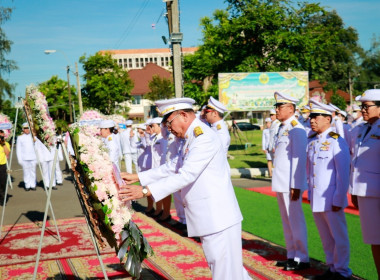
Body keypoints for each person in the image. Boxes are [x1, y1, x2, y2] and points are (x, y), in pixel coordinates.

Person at [119, 97, 251, 280]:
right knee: (232, 271)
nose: (168, 128)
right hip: (211, 216)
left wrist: (144, 191)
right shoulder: (192, 137)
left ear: (183, 116)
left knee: (225, 272)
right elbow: (173, 166)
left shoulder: (203, 137)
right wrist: (137, 177)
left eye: (169, 122)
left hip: (218, 217)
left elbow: (186, 174)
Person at [307, 99, 352, 280]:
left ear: (328, 119)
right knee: (326, 237)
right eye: (310, 117)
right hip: (317, 197)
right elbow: (310, 172)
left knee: (339, 237)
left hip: (331, 197)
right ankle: (332, 268)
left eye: (315, 116)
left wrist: (339, 198)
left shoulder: (336, 141)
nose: (312, 120)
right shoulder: (312, 142)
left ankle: (342, 271)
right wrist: (310, 194)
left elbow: (343, 174)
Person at [271, 91, 310, 271]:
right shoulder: (282, 126)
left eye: (279, 107)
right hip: (281, 181)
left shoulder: (297, 128)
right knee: (287, 221)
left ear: (290, 108)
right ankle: (291, 255)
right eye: (277, 106)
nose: (276, 110)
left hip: (290, 183)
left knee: (295, 220)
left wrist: (296, 185)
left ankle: (302, 258)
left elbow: (298, 159)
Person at [349, 89, 380, 279]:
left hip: (377, 192)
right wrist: (353, 190)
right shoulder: (362, 128)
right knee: (374, 240)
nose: (363, 110)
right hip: (366, 193)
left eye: (367, 106)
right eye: (362, 106)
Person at [149, 117, 169, 221]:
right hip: (155, 168)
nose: (151, 128)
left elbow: (164, 155)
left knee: (162, 191)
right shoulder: (156, 137)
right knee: (155, 190)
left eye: (153, 126)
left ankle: (164, 211)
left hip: (160, 168)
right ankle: (158, 209)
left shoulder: (163, 139)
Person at [16, 123, 37, 191]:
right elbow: (18, 149)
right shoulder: (20, 137)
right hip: (24, 158)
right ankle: (27, 185)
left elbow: (37, 148)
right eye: (25, 128)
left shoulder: (34, 137)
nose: (27, 130)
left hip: (33, 157)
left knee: (33, 172)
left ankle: (33, 184)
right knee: (26, 172)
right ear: (23, 129)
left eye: (28, 128)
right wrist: (20, 159)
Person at [0, 129, 10, 202]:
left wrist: (3, 143)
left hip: (2, 165)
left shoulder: (6, 144)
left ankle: (2, 198)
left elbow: (7, 153)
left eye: (2, 135)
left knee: (3, 182)